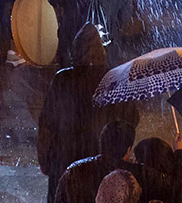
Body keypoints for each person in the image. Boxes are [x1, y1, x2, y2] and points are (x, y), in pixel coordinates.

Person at [38, 24, 139, 202]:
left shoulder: (63, 79)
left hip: (64, 159)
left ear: (75, 51)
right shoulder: (113, 79)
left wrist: (45, 158)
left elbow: (47, 123)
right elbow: (131, 118)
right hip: (101, 159)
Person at [55, 121, 165, 203]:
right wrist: (180, 151)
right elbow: (177, 186)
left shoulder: (74, 169)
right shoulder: (139, 173)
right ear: (128, 149)